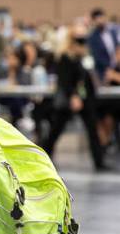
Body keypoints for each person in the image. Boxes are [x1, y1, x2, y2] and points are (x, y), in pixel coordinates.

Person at [41, 31, 108, 170]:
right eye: (79, 43)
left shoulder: (82, 58)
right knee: (56, 130)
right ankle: (43, 157)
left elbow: (84, 79)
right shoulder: (65, 58)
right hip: (70, 100)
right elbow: (65, 81)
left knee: (92, 130)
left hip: (84, 99)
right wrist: (73, 96)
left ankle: (99, 161)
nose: (83, 46)